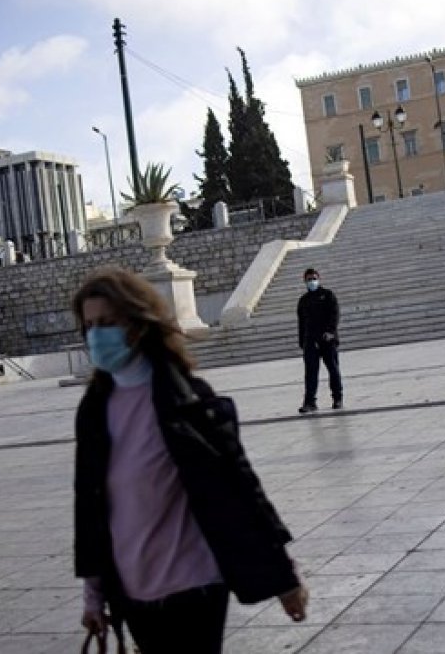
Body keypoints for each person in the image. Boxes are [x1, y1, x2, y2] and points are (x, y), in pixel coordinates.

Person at [72, 267, 308, 654]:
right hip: (132, 592)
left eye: (107, 323)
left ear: (136, 324)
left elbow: (239, 488)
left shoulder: (188, 399)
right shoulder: (95, 409)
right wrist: (93, 597)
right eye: (90, 326)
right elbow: (91, 508)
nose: (98, 335)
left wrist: (284, 578)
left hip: (195, 585)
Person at [297, 268, 343, 413]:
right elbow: (301, 323)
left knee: (333, 369)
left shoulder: (328, 295)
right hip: (310, 341)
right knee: (310, 372)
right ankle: (310, 402)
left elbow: (334, 315)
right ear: (305, 281)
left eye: (314, 278)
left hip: (327, 339)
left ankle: (337, 398)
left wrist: (330, 332)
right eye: (309, 279)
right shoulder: (303, 300)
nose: (312, 281)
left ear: (319, 278)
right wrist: (302, 342)